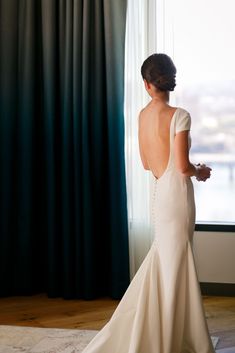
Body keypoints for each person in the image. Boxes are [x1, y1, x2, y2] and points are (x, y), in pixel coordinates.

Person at [82, 53, 215, 353]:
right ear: (169, 80)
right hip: (177, 196)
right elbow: (182, 168)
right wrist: (201, 170)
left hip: (159, 193)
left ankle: (163, 326)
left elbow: (145, 163)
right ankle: (173, 335)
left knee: (168, 259)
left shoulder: (142, 116)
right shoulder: (180, 115)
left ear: (147, 85)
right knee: (177, 260)